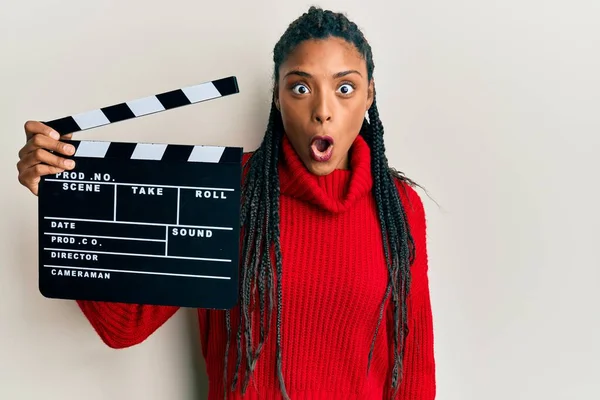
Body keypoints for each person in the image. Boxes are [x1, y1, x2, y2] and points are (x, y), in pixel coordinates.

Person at [16, 6, 436, 400]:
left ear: (369, 96)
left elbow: (414, 373)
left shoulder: (399, 208)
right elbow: (124, 326)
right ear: (277, 96)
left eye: (345, 87)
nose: (322, 111)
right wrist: (65, 195)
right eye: (301, 87)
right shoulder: (226, 192)